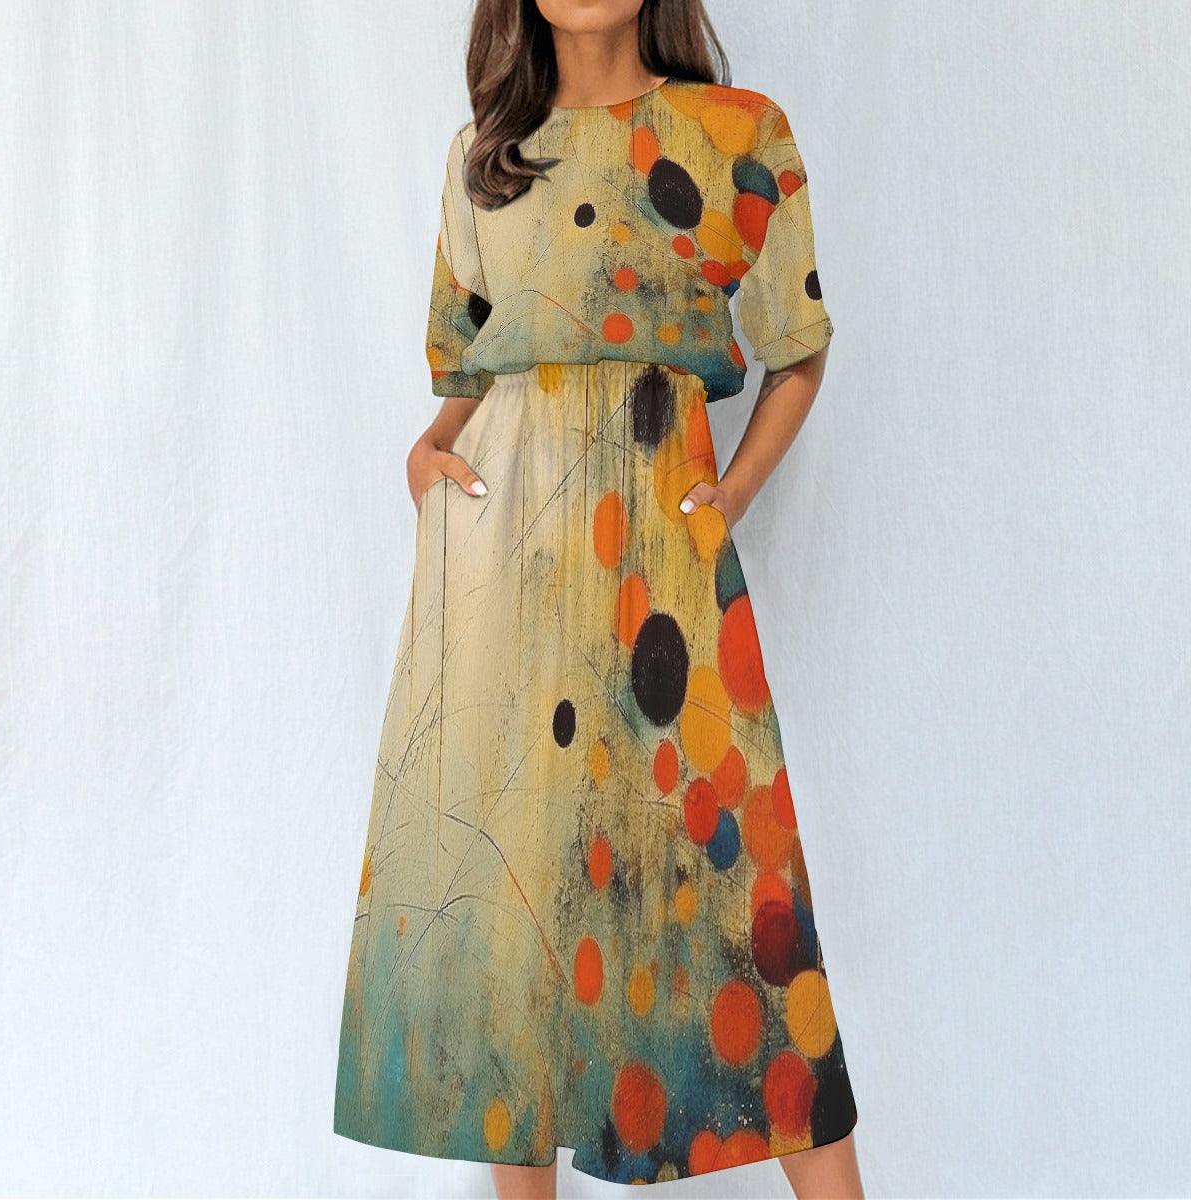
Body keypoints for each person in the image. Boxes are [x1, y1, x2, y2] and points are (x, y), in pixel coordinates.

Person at [332, 2, 864, 1197]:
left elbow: (799, 346)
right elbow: (476, 369)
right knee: (511, 910)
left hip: (664, 581)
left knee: (745, 909)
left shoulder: (736, 137)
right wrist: (426, 457)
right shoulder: (487, 161)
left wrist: (731, 493)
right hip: (499, 579)